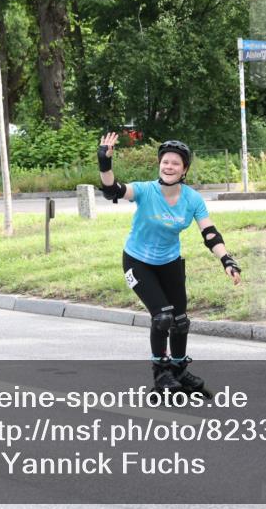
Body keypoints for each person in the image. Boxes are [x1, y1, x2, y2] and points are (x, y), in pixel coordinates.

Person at [98, 132, 241, 395]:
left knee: (180, 320)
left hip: (170, 262)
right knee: (162, 317)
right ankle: (161, 373)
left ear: (184, 169)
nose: (169, 166)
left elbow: (210, 233)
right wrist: (104, 162)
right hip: (137, 261)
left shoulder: (192, 199)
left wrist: (226, 260)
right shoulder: (145, 190)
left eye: (175, 163)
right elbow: (113, 189)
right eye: (165, 161)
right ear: (159, 164)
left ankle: (179, 370)